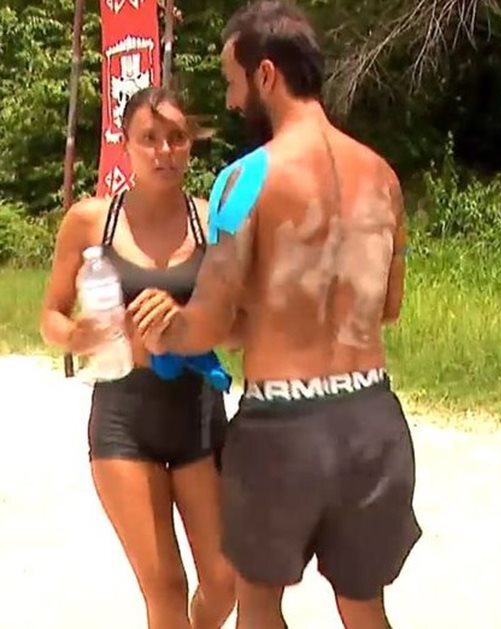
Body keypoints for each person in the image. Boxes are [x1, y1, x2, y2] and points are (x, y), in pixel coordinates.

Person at [127, 2, 422, 628]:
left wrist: (165, 328)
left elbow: (208, 322)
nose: (231, 101)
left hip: (283, 428)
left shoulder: (246, 180)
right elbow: (388, 307)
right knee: (364, 605)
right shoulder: (383, 175)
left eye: (233, 81)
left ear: (266, 75)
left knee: (259, 602)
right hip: (373, 417)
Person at [40, 87, 237, 629]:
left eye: (176, 138)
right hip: (124, 419)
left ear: (190, 145)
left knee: (224, 583)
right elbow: (50, 316)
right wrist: (78, 335)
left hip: (198, 414)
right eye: (149, 139)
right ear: (124, 144)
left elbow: (237, 326)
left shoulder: (209, 223)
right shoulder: (91, 222)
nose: (164, 151)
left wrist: (186, 320)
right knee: (166, 589)